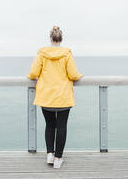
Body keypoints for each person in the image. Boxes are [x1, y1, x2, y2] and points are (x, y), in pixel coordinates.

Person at [26, 26, 84, 169]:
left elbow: (33, 73)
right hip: (63, 96)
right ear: (61, 39)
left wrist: (30, 77)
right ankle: (58, 159)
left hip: (46, 97)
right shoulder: (67, 54)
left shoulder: (42, 54)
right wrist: (79, 76)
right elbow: (73, 75)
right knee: (62, 126)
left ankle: (50, 155)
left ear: (50, 39)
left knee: (50, 125)